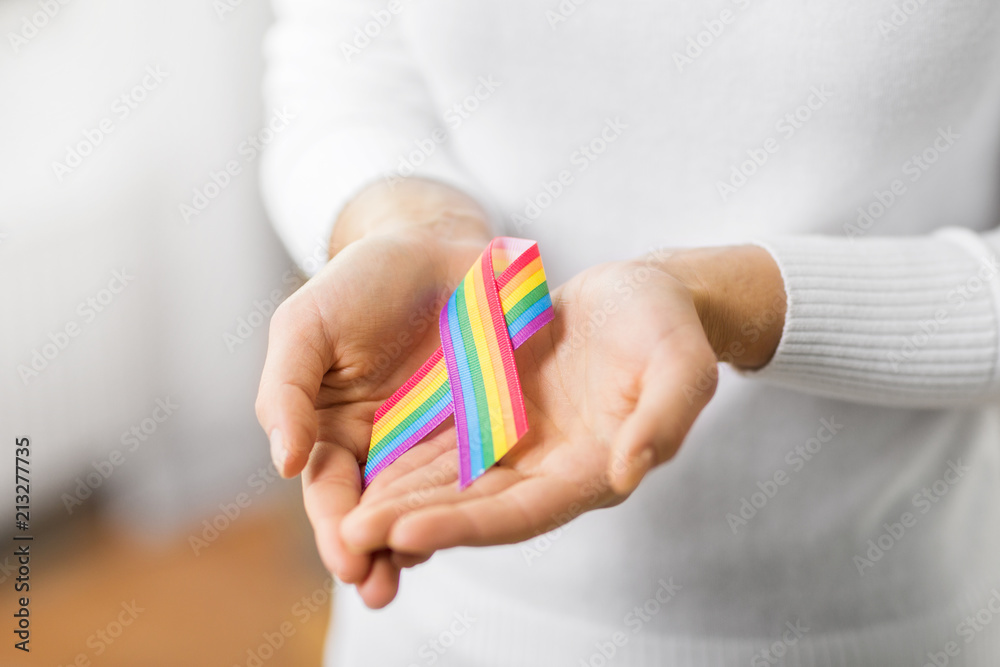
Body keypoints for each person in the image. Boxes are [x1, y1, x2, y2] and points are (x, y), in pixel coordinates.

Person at [255, 1, 1000, 664]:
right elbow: (342, 54)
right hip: (428, 600)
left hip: (871, 621)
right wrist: (405, 220)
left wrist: (726, 302)